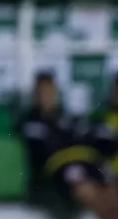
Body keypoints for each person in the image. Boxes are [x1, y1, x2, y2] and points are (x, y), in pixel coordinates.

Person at [20, 73, 118, 219]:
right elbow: (44, 153)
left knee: (112, 193)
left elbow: (91, 143)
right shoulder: (31, 122)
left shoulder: (66, 118)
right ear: (35, 95)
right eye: (42, 92)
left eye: (49, 91)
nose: (46, 96)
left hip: (87, 165)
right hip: (57, 175)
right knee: (90, 192)